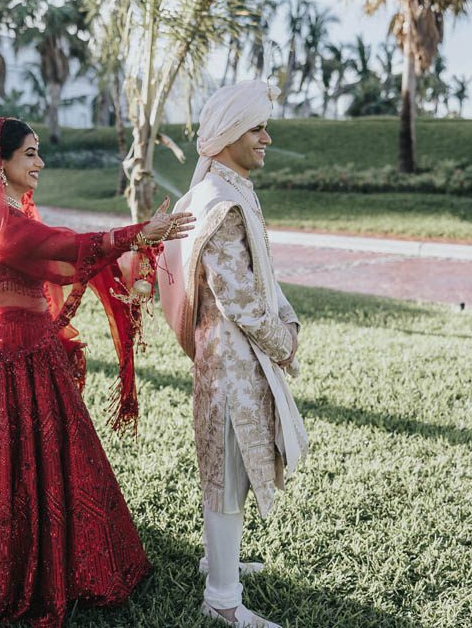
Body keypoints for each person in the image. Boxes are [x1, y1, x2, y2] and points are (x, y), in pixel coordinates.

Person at [0, 117, 195, 628]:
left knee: (51, 462)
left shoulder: (12, 213)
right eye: (30, 154)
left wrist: (133, 241)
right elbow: (65, 246)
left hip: (33, 350)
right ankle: (3, 577)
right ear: (1, 163)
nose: (40, 163)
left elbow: (62, 246)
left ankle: (60, 566)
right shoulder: (1, 225)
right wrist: (135, 233)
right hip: (7, 357)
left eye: (39, 152)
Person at [158, 81, 309, 628]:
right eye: (257, 128)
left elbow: (260, 281)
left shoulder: (225, 189)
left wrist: (284, 319)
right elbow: (240, 298)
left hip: (232, 360)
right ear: (226, 136)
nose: (266, 137)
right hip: (230, 366)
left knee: (232, 471)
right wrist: (283, 340)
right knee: (226, 472)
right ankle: (222, 599)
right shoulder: (220, 203)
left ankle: (219, 564)